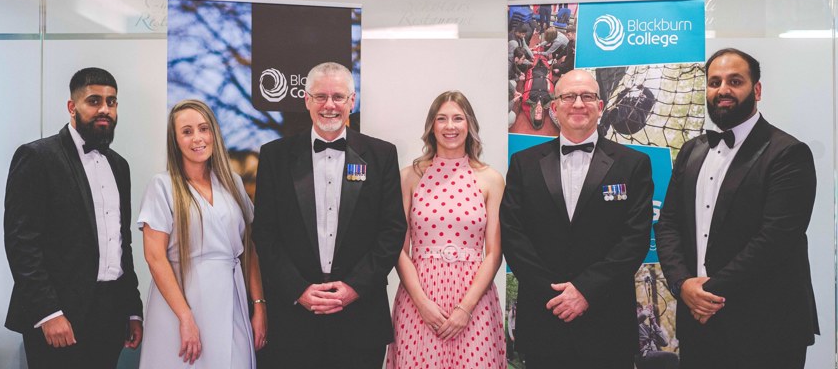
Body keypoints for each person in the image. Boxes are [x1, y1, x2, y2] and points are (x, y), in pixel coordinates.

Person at [654, 48, 818, 369]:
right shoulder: (692, 151)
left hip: (766, 328)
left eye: (735, 81)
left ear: (756, 90)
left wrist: (707, 294)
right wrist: (682, 284)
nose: (723, 90)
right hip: (698, 323)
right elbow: (668, 223)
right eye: (714, 82)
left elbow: (776, 239)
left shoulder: (788, 153)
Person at [252, 62, 406, 369]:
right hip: (293, 320)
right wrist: (299, 289)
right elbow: (265, 233)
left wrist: (353, 288)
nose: (330, 105)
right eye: (320, 96)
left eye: (338, 96)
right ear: (306, 100)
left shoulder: (382, 155)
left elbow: (391, 231)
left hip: (360, 319)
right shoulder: (274, 156)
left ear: (352, 101)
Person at [500, 69, 654, 368]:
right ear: (554, 107)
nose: (579, 104)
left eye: (587, 96)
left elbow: (634, 240)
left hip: (607, 322)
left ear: (601, 105)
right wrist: (554, 296)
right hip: (545, 318)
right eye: (569, 96)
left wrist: (585, 290)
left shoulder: (634, 164)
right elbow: (513, 235)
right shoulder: (524, 163)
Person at [4, 67, 143, 369]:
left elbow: (123, 243)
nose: (104, 109)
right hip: (58, 316)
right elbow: (21, 242)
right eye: (94, 101)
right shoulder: (37, 157)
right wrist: (48, 312)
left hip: (110, 313)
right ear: (72, 107)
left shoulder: (120, 165)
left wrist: (132, 310)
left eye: (111, 101)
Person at [137, 100, 266, 368]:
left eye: (203, 129)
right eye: (186, 131)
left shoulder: (233, 183)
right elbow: (154, 257)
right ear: (175, 140)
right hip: (179, 307)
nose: (197, 138)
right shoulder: (162, 186)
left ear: (214, 134)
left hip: (232, 301)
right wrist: (185, 317)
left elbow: (250, 249)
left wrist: (259, 306)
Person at [386, 91, 507, 368]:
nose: (449, 126)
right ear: (432, 126)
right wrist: (422, 303)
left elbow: (494, 253)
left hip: (474, 301)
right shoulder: (409, 176)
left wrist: (465, 308)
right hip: (419, 298)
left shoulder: (490, 178)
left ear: (469, 125)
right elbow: (399, 249)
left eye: (457, 118)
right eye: (442, 119)